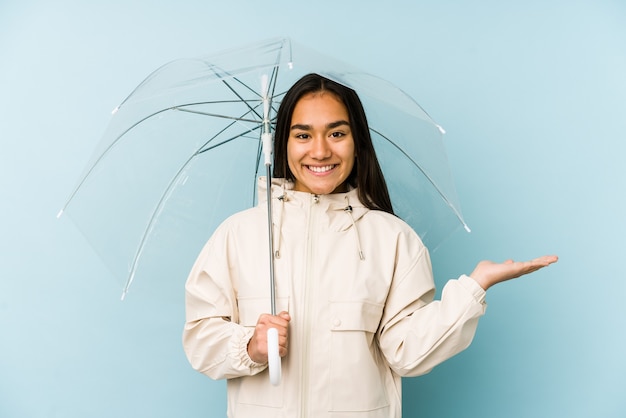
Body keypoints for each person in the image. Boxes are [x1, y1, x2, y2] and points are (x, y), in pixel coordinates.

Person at [182, 73, 558, 418]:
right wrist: (250, 346)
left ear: (358, 143)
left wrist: (475, 287)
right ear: (282, 144)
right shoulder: (238, 235)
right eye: (302, 135)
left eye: (336, 133)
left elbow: (408, 353)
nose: (319, 151)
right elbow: (199, 338)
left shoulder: (392, 239)